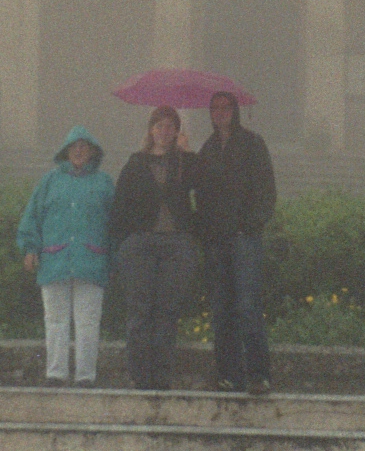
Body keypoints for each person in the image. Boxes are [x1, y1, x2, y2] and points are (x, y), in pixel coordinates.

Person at [109, 104, 200, 390]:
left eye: (170, 126)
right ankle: (140, 375)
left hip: (176, 244)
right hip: (140, 245)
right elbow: (119, 208)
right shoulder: (135, 164)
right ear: (151, 130)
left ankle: (161, 375)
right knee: (140, 311)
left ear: (177, 132)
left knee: (167, 311)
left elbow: (202, 183)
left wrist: (188, 153)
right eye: (159, 125)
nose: (164, 131)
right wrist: (124, 243)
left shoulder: (183, 163)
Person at [16, 125, 114, 386]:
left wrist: (115, 259)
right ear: (66, 151)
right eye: (74, 146)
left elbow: (115, 224)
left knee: (88, 322)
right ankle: (56, 373)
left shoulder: (104, 183)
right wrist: (30, 248)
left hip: (91, 263)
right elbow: (32, 217)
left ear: (93, 151)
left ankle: (85, 376)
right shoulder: (49, 182)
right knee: (56, 320)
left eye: (84, 146)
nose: (79, 150)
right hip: (54, 262)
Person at [195, 90, 275, 394]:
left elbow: (267, 191)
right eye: (214, 108)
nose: (220, 113)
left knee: (247, 305)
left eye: (225, 107)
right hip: (216, 241)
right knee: (221, 308)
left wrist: (249, 225)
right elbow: (199, 192)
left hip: (244, 240)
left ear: (235, 110)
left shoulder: (253, 144)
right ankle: (228, 374)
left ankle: (258, 374)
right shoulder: (208, 149)